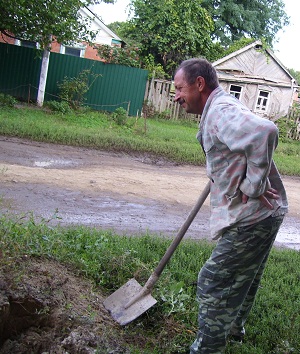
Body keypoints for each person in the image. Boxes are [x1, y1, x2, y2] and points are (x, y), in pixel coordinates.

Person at [174, 58, 288, 354]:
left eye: (179, 88)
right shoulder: (220, 106)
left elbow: (266, 132)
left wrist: (253, 186)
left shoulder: (220, 113)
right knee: (245, 276)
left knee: (212, 280)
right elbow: (242, 145)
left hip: (255, 216)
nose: (176, 96)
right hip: (268, 213)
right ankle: (235, 328)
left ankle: (208, 347)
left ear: (199, 84)